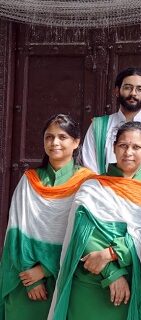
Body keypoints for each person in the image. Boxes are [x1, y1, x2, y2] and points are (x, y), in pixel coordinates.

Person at [49, 121, 141, 320]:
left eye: (136, 147)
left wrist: (113, 253)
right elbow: (82, 232)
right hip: (91, 281)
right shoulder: (93, 186)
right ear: (114, 147)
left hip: (138, 279)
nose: (128, 152)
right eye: (123, 145)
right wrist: (111, 272)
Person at [0, 114, 94, 320]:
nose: (55, 143)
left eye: (62, 137)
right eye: (49, 137)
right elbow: (15, 231)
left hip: (68, 274)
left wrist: (45, 269)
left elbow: (86, 236)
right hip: (24, 277)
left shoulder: (88, 183)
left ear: (76, 142)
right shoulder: (29, 180)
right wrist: (31, 276)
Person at [82, 67, 141, 174]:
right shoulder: (98, 126)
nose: (133, 93)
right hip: (101, 189)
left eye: (140, 89)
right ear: (117, 91)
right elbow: (89, 169)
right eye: (127, 88)